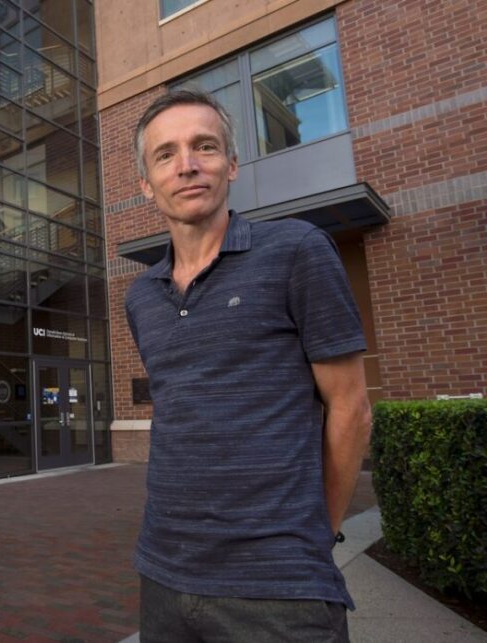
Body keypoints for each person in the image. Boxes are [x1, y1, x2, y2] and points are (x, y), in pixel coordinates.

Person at [125, 89, 372, 642]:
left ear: (232, 164)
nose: (186, 165)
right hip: (163, 574)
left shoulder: (295, 250)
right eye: (165, 154)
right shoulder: (141, 295)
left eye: (204, 147)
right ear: (146, 182)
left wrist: (318, 535)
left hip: (279, 589)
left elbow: (350, 407)